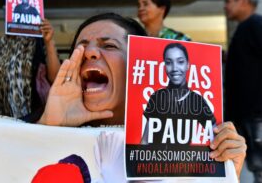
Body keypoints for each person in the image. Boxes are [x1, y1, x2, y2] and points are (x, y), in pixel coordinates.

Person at [38, 13, 246, 179]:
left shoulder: (177, 129)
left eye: (109, 45)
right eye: (80, 47)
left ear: (139, 65)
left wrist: (226, 170)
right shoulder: (44, 125)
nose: (88, 52)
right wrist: (50, 128)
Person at [0, 19, 60, 122]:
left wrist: (49, 42)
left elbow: (55, 79)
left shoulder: (40, 42)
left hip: (35, 120)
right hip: (2, 121)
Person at [141, 42, 215, 145]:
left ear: (187, 65)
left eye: (180, 62)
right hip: (154, 160)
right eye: (169, 62)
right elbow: (145, 141)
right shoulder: (157, 96)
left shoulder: (197, 101)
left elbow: (216, 136)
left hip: (183, 161)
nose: (175, 68)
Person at [224, 0, 262, 182]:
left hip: (255, 114)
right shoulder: (243, 28)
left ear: (244, 1)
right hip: (243, 114)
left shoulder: (256, 24)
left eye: (228, 0)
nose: (225, 5)